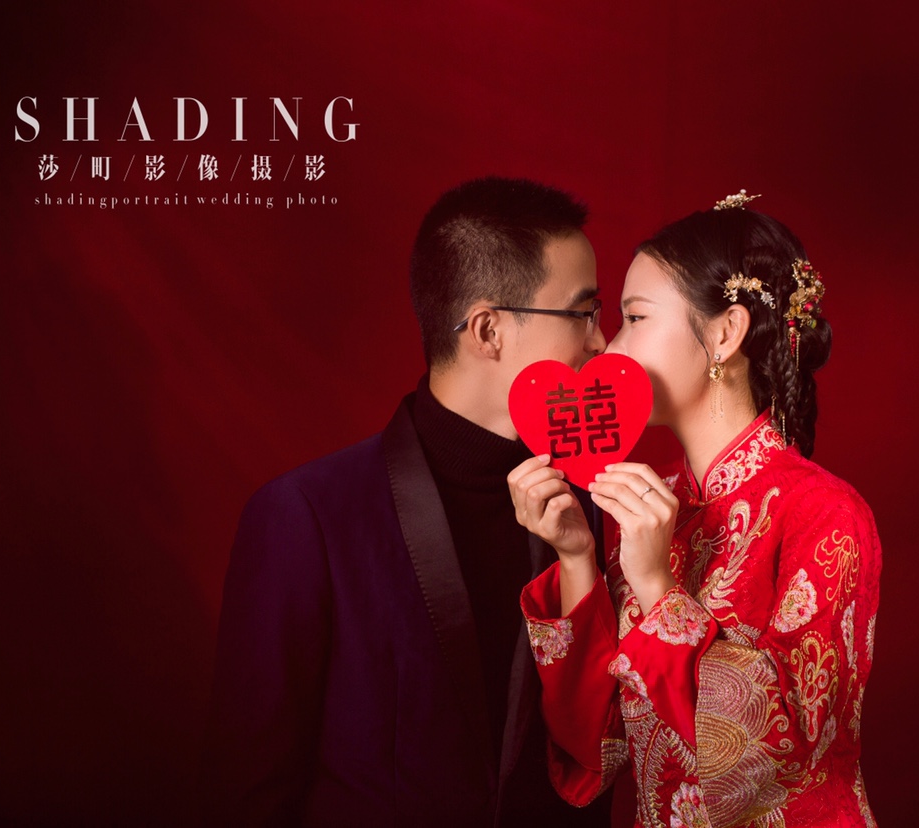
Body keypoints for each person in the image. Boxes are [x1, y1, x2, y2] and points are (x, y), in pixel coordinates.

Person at [199, 176, 613, 827]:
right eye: (583, 313)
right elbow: (250, 789)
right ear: (488, 330)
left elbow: (594, 757)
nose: (600, 341)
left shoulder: (585, 510)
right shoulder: (305, 514)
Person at [508, 193, 882, 827]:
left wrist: (658, 591)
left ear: (724, 333)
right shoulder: (654, 508)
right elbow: (596, 749)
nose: (608, 348)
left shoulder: (826, 515)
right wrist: (576, 559)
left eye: (634, 317)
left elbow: (778, 764)